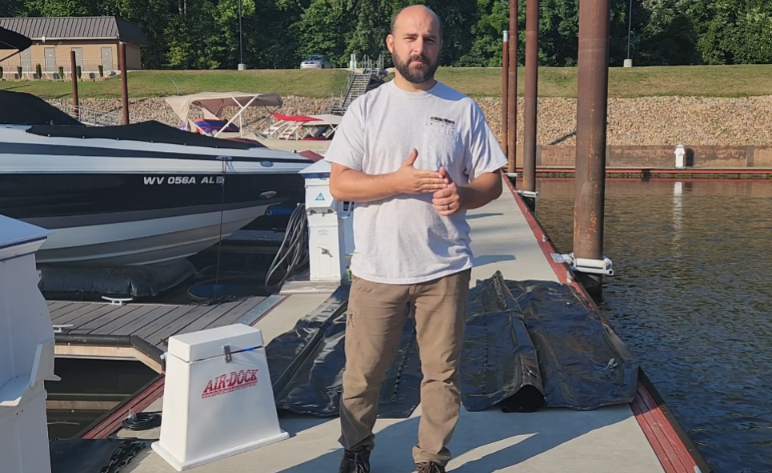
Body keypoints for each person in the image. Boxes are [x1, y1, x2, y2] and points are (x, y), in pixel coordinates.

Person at [324, 5, 508, 473]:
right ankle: (356, 449)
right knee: (362, 375)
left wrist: (461, 195)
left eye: (428, 39)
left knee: (441, 376)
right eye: (409, 38)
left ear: (440, 46)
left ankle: (431, 460)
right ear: (391, 44)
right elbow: (340, 184)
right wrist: (398, 182)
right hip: (377, 268)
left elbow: (492, 182)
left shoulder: (462, 109)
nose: (418, 48)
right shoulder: (367, 108)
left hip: (444, 268)